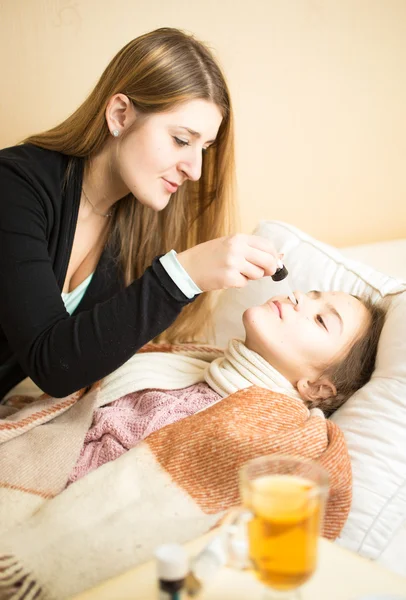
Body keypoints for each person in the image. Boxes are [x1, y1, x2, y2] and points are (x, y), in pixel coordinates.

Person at [0, 27, 281, 402]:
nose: (195, 170)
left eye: (205, 148)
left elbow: (85, 354)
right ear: (119, 115)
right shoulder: (14, 185)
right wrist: (181, 276)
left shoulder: (133, 227)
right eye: (182, 140)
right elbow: (53, 364)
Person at [68, 289, 386, 483]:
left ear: (317, 389)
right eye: (313, 294)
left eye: (321, 320)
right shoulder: (189, 361)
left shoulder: (259, 434)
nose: (298, 297)